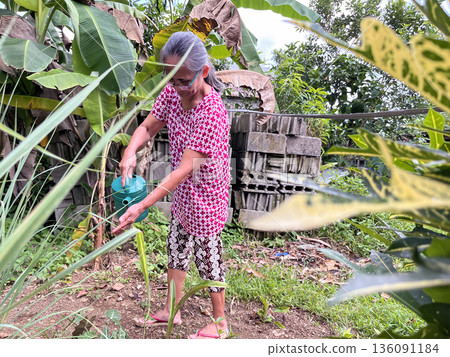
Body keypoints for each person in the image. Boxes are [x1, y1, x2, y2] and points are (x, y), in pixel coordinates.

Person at [112, 31, 230, 339]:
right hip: (182, 193)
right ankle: (171, 311)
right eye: (171, 80)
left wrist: (141, 205)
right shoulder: (173, 92)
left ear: (203, 72)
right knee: (176, 248)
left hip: (206, 193)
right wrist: (129, 152)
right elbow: (148, 125)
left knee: (208, 256)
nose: (176, 88)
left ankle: (220, 323)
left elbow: (181, 172)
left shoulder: (212, 113)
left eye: (183, 80)